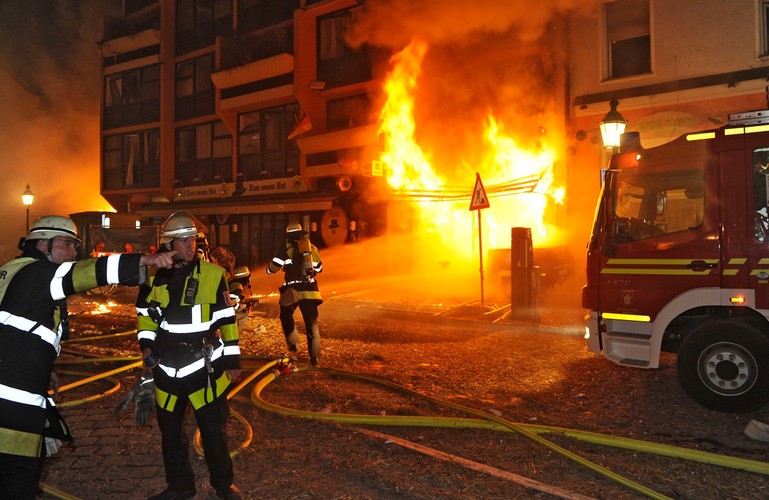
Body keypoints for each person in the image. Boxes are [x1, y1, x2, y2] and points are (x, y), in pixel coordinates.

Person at [0, 215, 177, 499]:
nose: (73, 253)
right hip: (13, 408)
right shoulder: (39, 273)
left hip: (12, 389)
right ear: (43, 244)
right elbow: (83, 273)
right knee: (18, 483)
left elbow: (13, 330)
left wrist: (44, 367)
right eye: (68, 244)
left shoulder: (12, 270)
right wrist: (142, 261)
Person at [136, 211, 242, 500]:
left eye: (193, 239)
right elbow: (145, 318)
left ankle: (223, 486)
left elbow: (226, 319)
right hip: (166, 368)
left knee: (213, 432)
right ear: (168, 244)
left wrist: (232, 360)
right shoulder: (153, 278)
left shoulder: (213, 275)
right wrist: (146, 347)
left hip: (203, 368)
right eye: (183, 241)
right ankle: (180, 487)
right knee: (170, 435)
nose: (190, 245)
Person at [266, 223, 323, 366]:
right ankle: (314, 357)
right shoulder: (311, 248)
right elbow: (319, 268)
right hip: (310, 290)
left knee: (285, 315)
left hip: (293, 290)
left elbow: (272, 268)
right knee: (312, 323)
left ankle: (293, 344)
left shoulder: (285, 248)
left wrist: (269, 269)